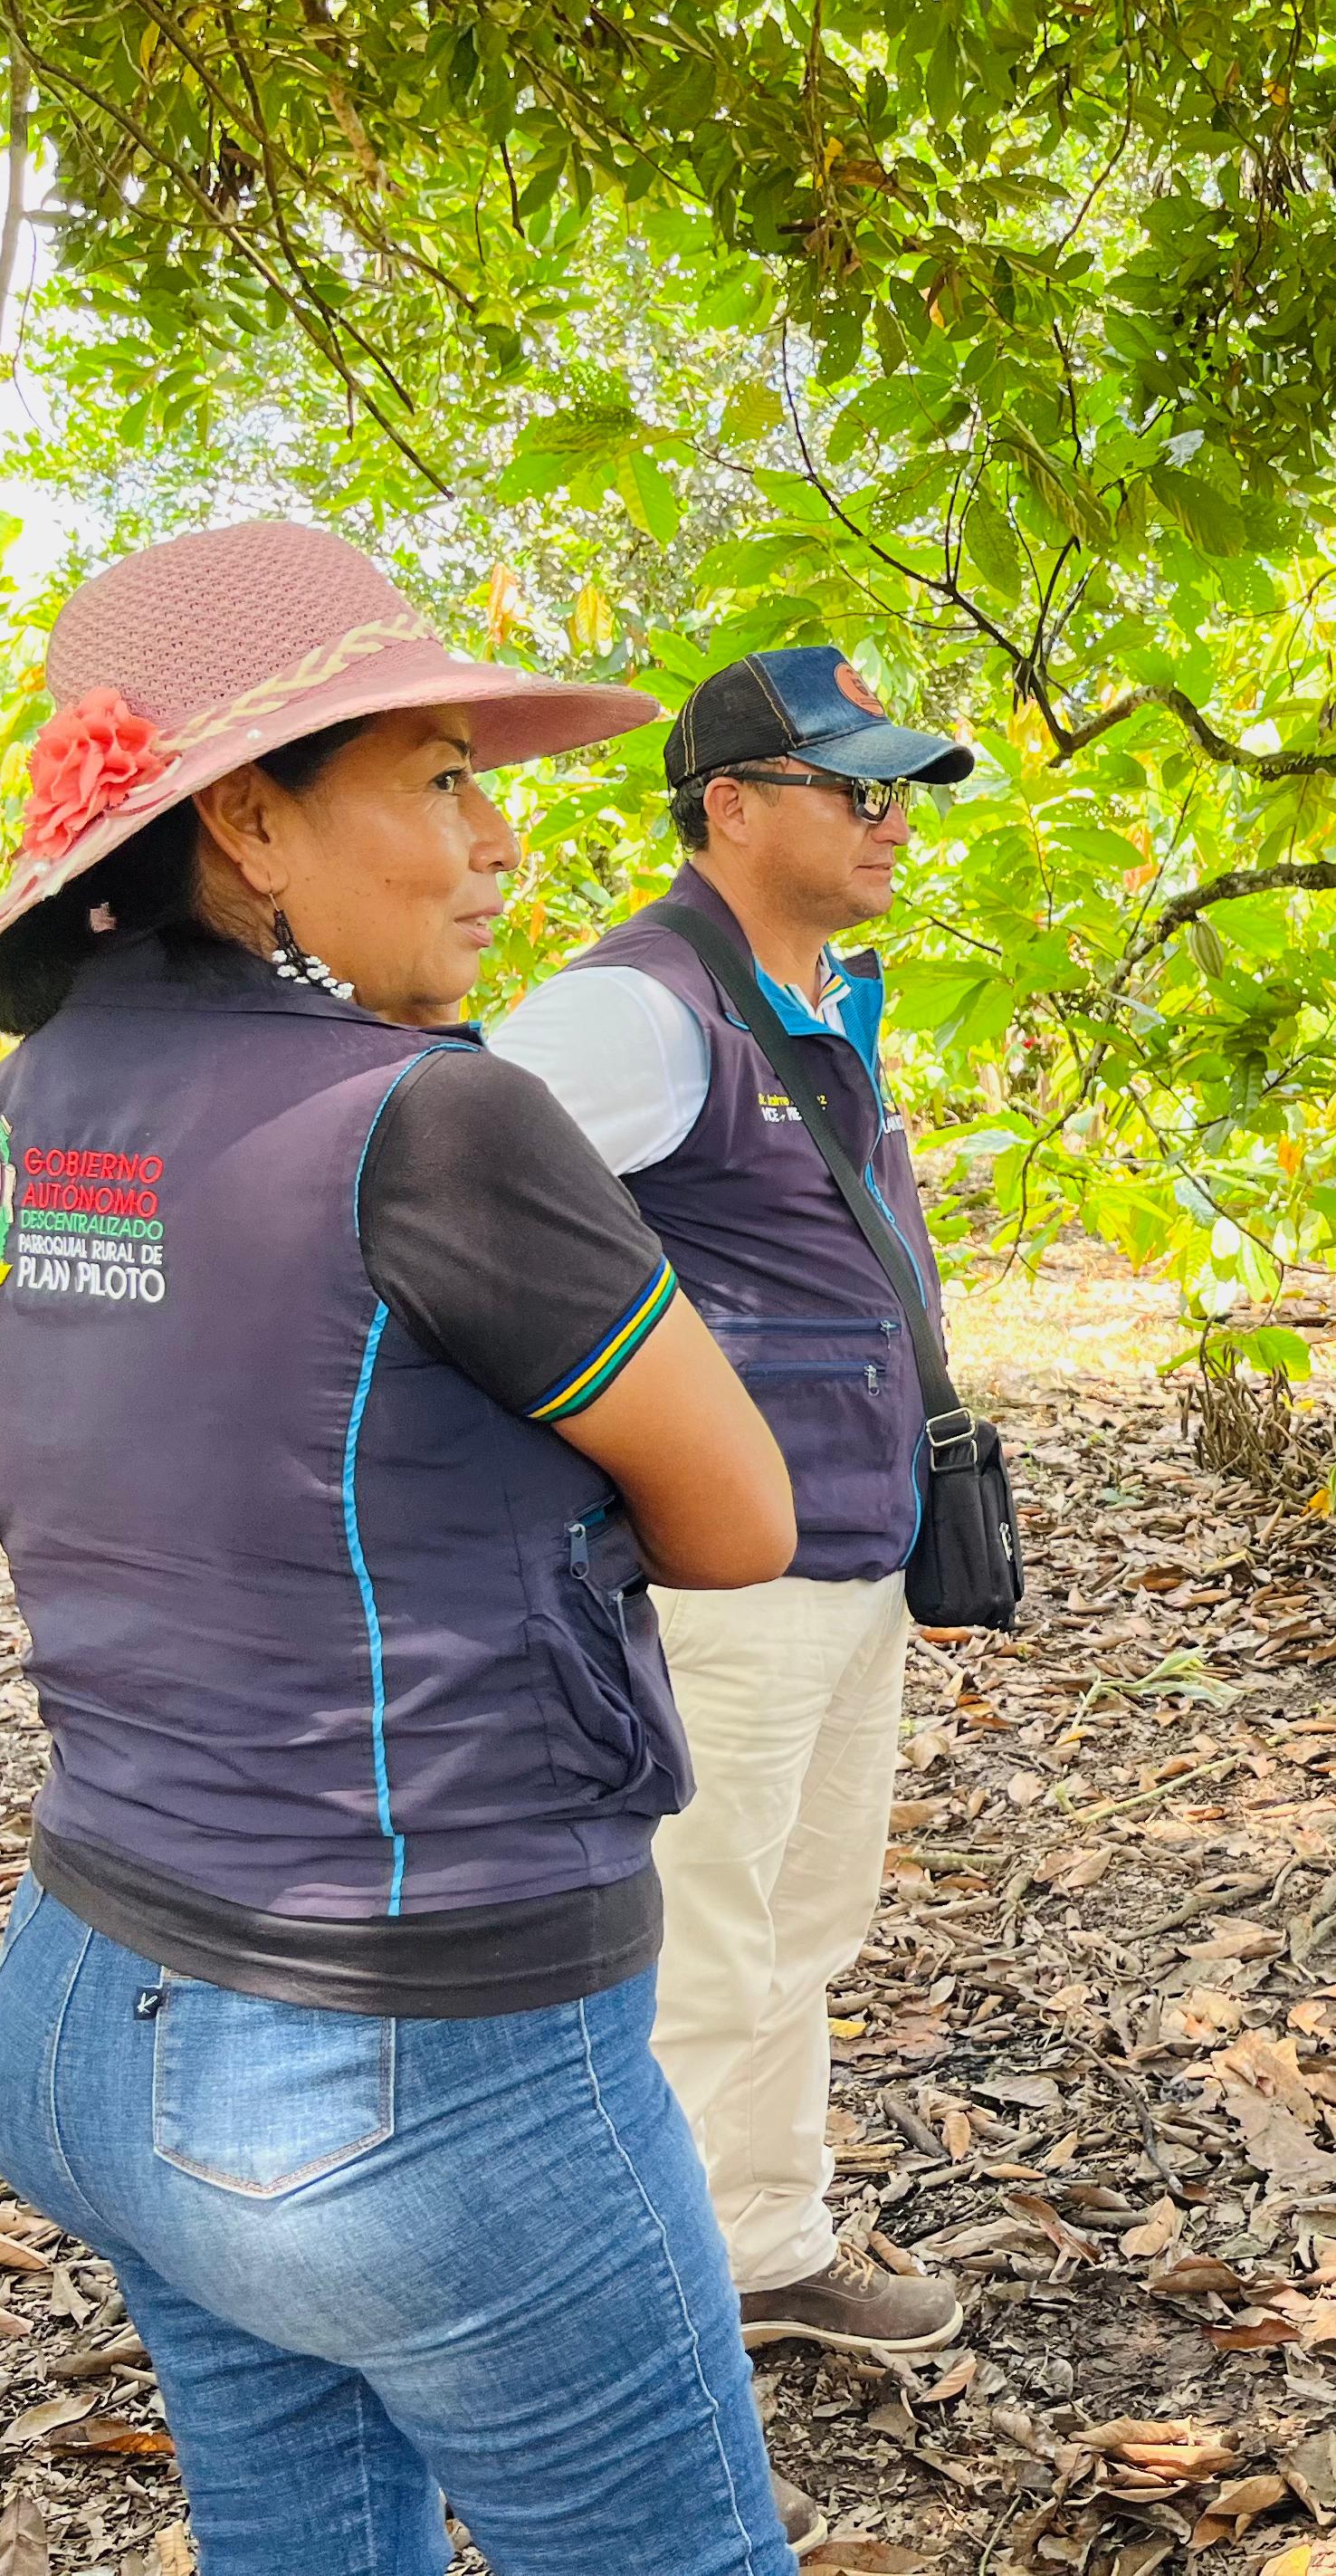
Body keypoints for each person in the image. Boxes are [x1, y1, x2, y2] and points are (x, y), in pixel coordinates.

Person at [0, 521, 816, 2574]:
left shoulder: (11, 1121)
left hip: (88, 1999)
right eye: (436, 779)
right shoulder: (430, 1124)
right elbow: (744, 1515)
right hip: (410, 2059)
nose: (498, 840)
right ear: (247, 823)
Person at [491, 646, 977, 2361]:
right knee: (699, 1945)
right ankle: (630, 2327)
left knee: (799, 1927)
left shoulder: (814, 1000)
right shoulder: (635, 1010)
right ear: (733, 807)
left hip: (843, 1558)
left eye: (898, 792)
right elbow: (432, 1203)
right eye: (856, 788)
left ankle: (764, 2246)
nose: (890, 820)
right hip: (719, 1580)